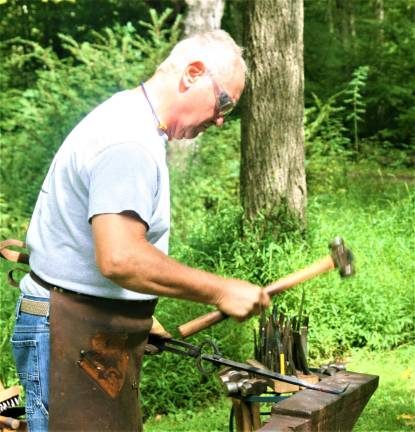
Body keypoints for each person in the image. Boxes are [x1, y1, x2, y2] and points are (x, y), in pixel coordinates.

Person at [11, 30, 270, 431]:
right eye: (223, 104)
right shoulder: (129, 142)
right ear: (193, 74)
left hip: (82, 325)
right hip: (65, 330)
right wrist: (222, 289)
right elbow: (120, 257)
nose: (220, 120)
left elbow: (90, 250)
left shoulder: (129, 121)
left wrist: (135, 315)